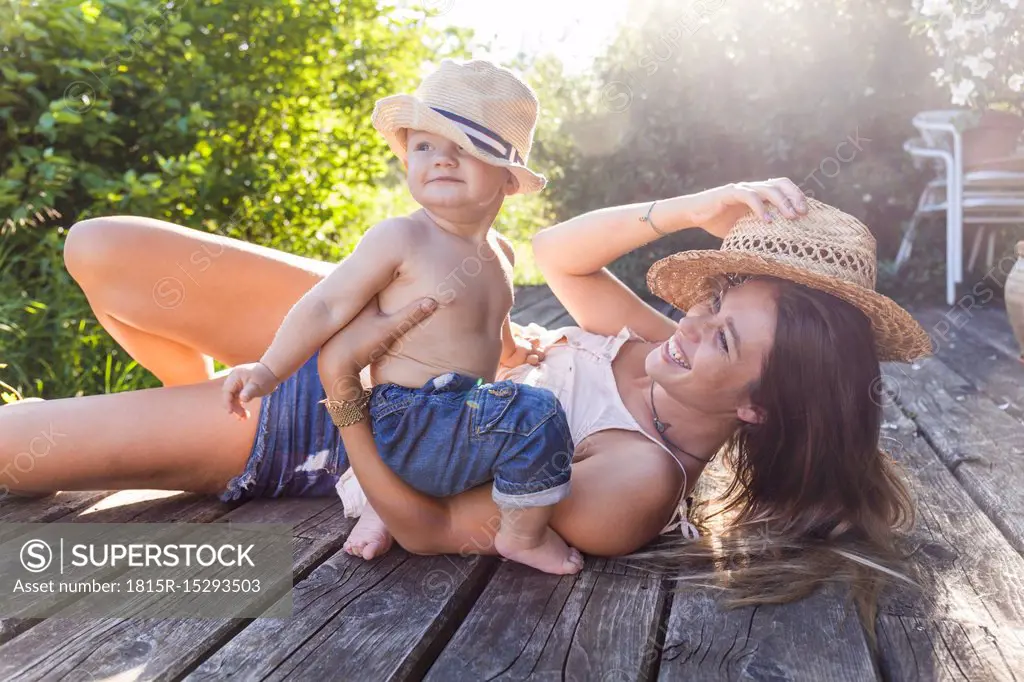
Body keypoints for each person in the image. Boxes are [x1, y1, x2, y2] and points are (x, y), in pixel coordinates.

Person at [1, 177, 930, 620]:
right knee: (100, 248)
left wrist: (340, 394)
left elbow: (424, 527)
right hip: (398, 324)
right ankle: (185, 409)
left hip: (320, 427)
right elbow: (559, 252)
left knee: (12, 447)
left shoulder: (633, 484)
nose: (689, 324)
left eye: (723, 335)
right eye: (716, 300)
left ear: (762, 408)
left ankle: (190, 434)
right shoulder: (661, 351)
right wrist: (694, 210)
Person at [207, 59, 581, 575]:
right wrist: (268, 370)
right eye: (425, 146)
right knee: (536, 418)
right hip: (410, 418)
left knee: (507, 422)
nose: (441, 160)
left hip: (453, 422)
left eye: (464, 149)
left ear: (508, 180)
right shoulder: (402, 237)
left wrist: (518, 351)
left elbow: (492, 326)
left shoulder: (501, 253)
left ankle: (379, 508)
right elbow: (326, 304)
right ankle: (521, 537)